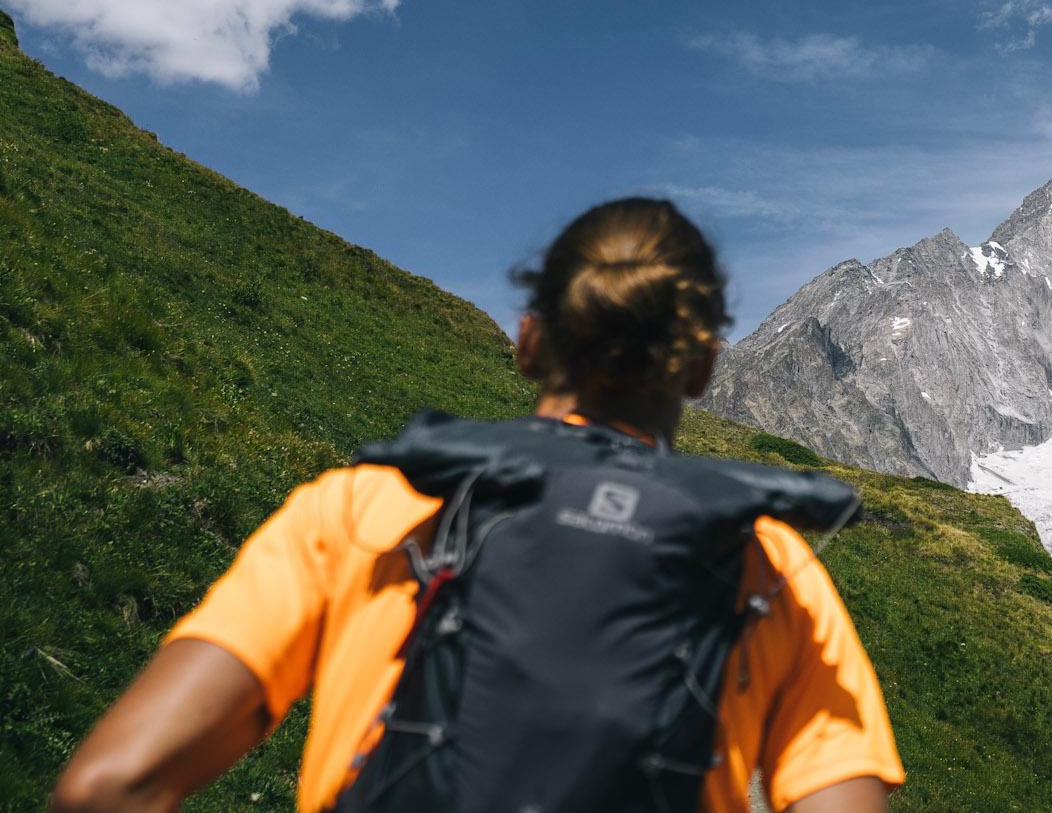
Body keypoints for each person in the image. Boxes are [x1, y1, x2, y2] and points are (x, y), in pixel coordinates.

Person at [52, 198, 903, 813]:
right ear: (703, 367)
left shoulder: (368, 507)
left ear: (529, 338)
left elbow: (113, 784)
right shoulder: (768, 563)